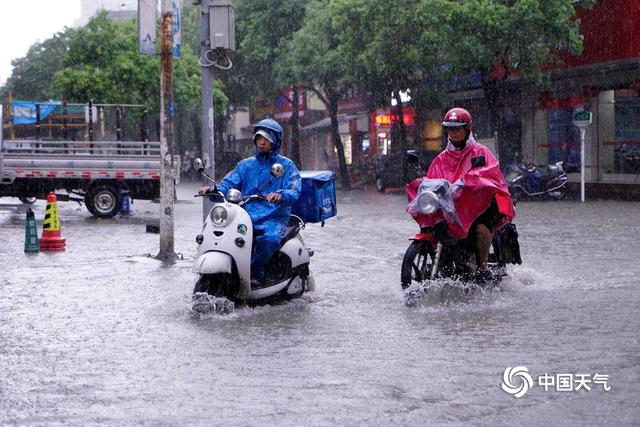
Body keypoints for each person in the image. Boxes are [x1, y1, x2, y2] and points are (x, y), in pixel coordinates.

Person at [198, 119, 301, 285]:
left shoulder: (286, 166)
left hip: (273, 218)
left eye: (266, 139)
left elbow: (294, 189)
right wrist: (213, 190)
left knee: (270, 240)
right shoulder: (245, 165)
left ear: (275, 141)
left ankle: (255, 273)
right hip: (246, 215)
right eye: (259, 138)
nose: (262, 142)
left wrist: (280, 195)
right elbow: (228, 184)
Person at [426, 107, 514, 283]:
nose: (454, 133)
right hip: (453, 207)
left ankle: (483, 269)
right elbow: (431, 180)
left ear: (467, 129)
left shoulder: (481, 152)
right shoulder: (442, 158)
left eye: (457, 128)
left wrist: (469, 182)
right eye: (450, 129)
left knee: (481, 230)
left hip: (481, 205)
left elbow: (491, 174)